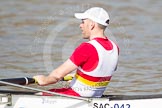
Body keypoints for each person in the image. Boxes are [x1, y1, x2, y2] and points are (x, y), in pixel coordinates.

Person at [33, 7, 119, 97]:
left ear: (91, 25)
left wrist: (44, 80)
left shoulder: (87, 48)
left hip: (76, 95)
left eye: (83, 22)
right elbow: (100, 71)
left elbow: (57, 75)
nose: (80, 25)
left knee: (37, 95)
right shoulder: (115, 47)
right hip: (96, 96)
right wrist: (77, 77)